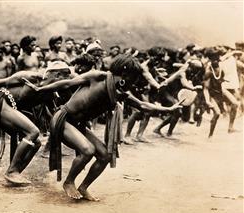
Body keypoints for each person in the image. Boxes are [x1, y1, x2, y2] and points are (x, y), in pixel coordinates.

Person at [24, 54, 182, 201]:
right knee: (87, 150)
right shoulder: (97, 76)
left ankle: (84, 187)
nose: (134, 81)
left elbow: (142, 105)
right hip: (62, 119)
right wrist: (40, 89)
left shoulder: (121, 92)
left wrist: (168, 109)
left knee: (105, 155)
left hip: (77, 125)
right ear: (125, 74)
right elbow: (68, 83)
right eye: (134, 77)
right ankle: (69, 182)